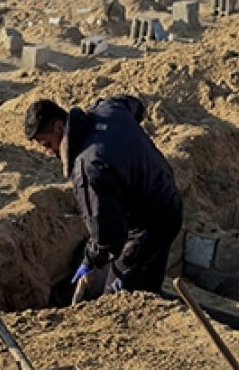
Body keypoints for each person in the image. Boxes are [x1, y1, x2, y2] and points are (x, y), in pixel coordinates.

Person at [23, 96, 182, 298]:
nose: (48, 152)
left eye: (47, 144)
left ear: (59, 126)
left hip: (149, 224)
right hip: (168, 197)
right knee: (147, 280)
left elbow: (107, 235)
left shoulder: (89, 166)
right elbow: (135, 105)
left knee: (121, 300)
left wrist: (90, 261)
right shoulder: (109, 109)